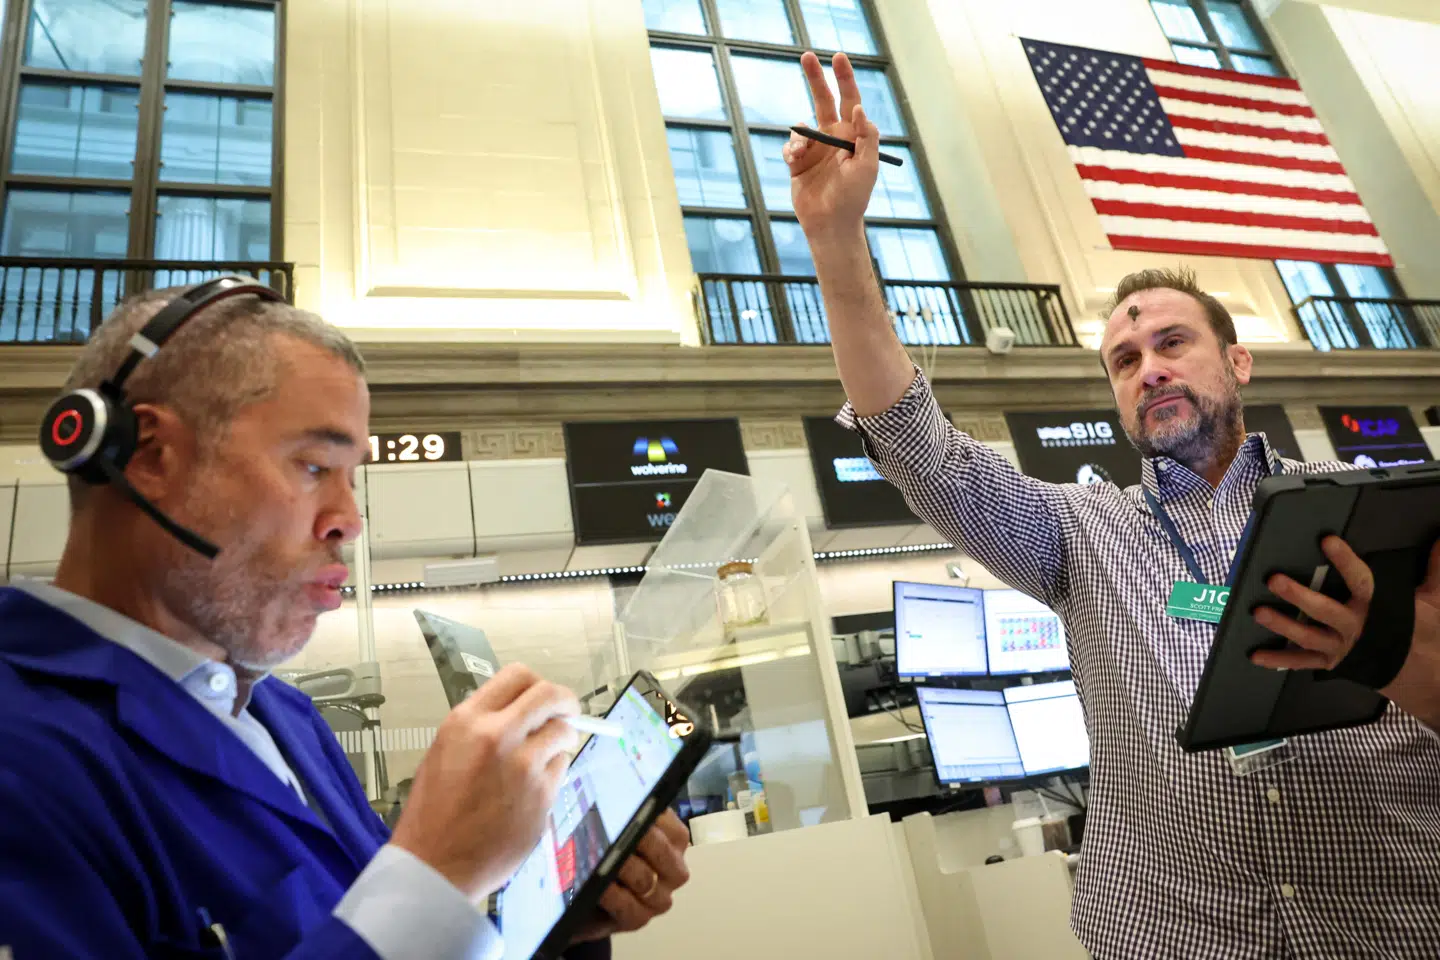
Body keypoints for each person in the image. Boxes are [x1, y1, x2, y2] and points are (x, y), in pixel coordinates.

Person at [786, 49, 1440, 960]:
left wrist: (1387, 647)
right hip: (1173, 932)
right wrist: (835, 242)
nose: (1151, 368)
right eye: (1126, 362)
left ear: (1238, 362)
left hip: (1388, 926)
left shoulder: (1373, 517)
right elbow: (917, 446)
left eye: (1174, 342)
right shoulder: (1080, 535)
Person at [0, 286, 690, 958]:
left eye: (350, 476)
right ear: (149, 454)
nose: (349, 521)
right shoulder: (25, 755)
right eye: (312, 465)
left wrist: (546, 927)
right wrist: (435, 879)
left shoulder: (287, 719)